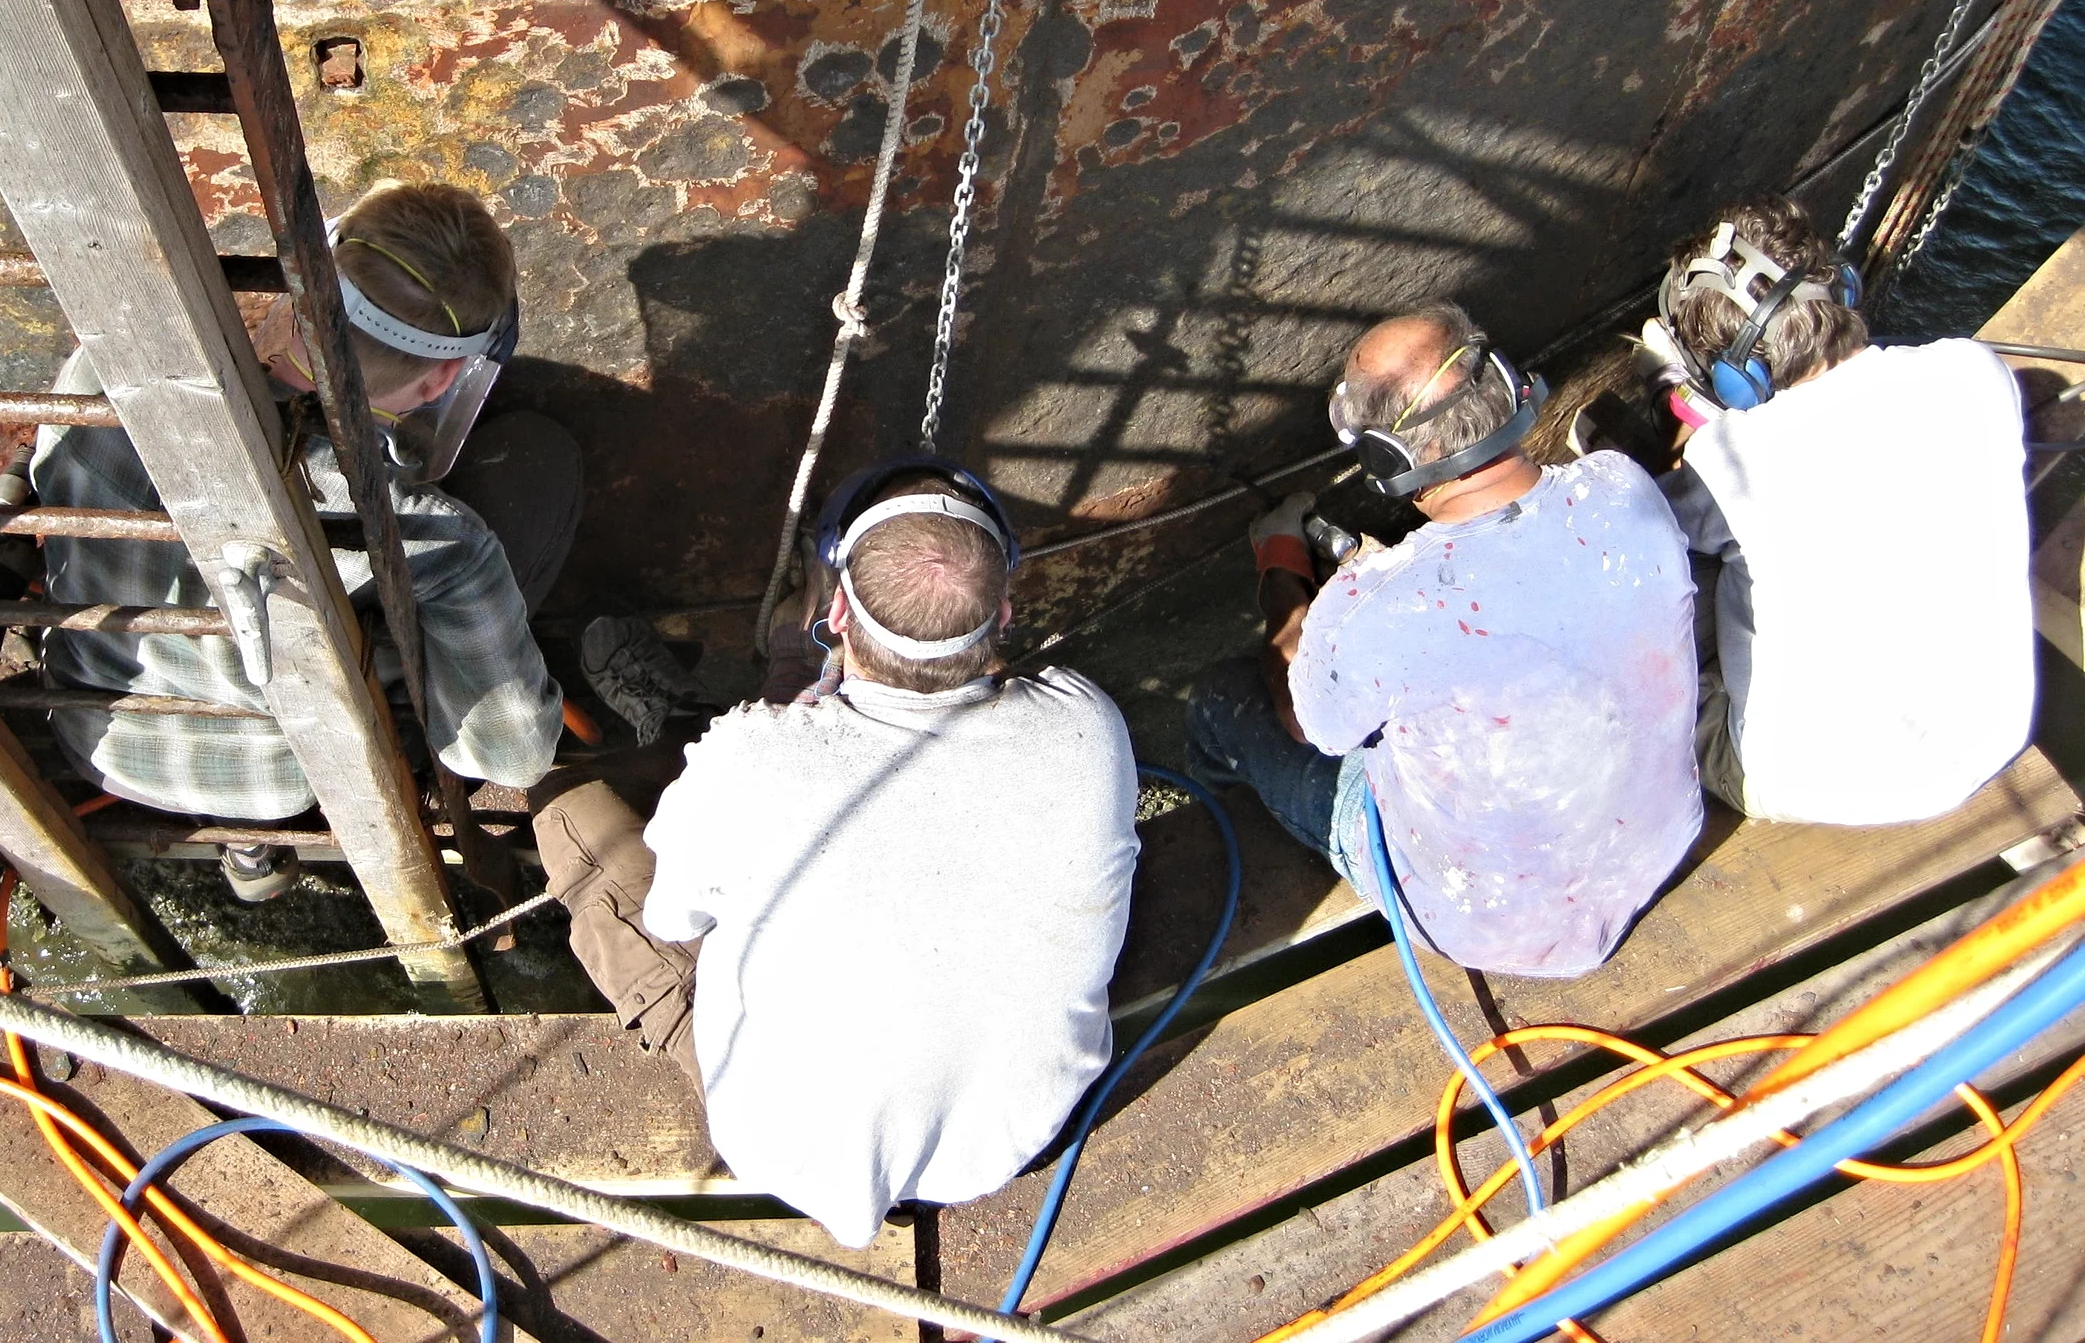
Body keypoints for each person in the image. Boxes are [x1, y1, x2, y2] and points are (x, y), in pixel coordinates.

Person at [529, 462, 1140, 1247]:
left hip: (792, 1153)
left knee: (568, 813)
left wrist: (773, 729)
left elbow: (676, 913)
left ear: (838, 614)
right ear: (1007, 612)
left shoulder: (749, 758)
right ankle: (717, 703)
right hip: (1011, 1134)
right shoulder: (1088, 724)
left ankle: (670, 725)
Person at [35, 179, 579, 899]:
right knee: (540, 464)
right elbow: (512, 758)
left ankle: (246, 846)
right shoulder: (431, 536)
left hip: (93, 730)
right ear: (442, 379)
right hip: (279, 778)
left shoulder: (104, 370)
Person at [1187, 304, 1702, 980]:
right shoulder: (1620, 488)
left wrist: (1283, 575)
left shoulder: (1376, 605)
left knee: (1226, 697)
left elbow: (1308, 724)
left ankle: (1211, 810)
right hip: (1657, 845)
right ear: (1505, 390)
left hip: (1486, 923)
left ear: (1386, 458)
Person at [1646, 199, 2032, 823]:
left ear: (1735, 380)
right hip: (1991, 730)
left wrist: (1695, 435)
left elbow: (1644, 532)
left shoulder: (1728, 459)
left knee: (1660, 596)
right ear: (1842, 285)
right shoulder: (1974, 370)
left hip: (1806, 779)